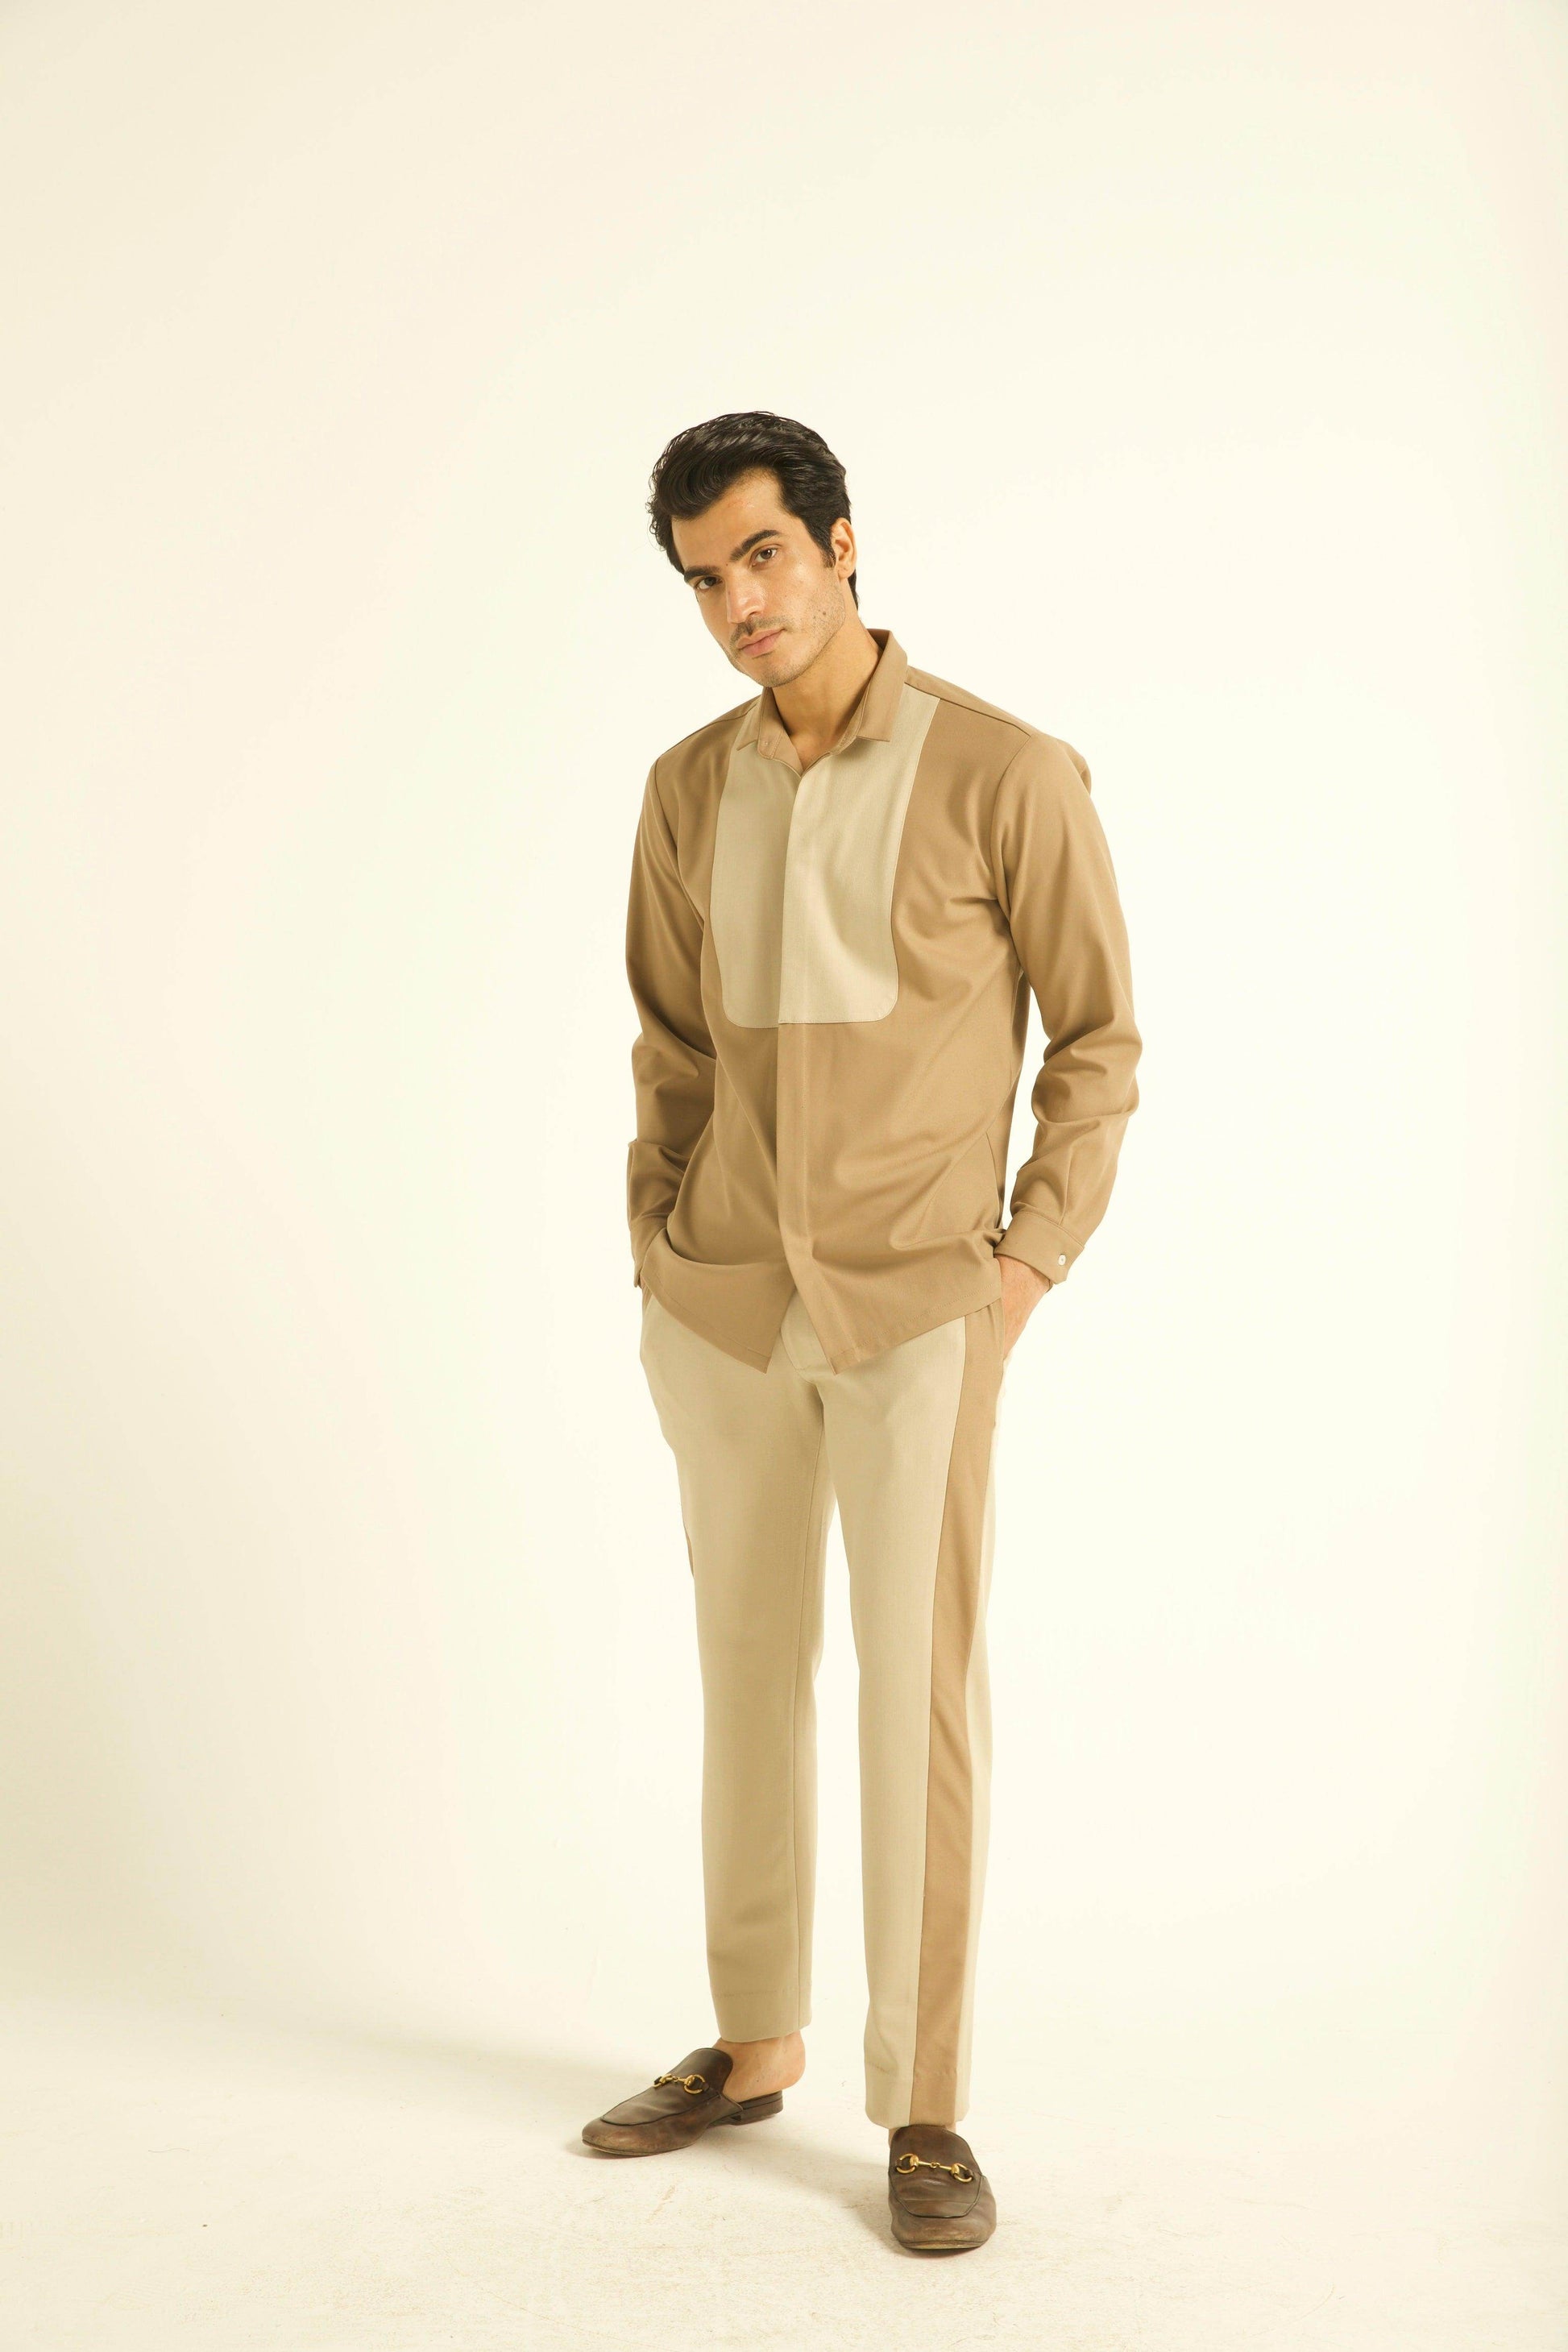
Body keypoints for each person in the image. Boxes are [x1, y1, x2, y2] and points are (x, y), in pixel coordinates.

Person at [581, 411, 1142, 2255]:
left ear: (837, 543)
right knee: (745, 1677)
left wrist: (1023, 1267)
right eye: (702, 578)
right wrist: (659, 1243)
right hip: (726, 1309)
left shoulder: (1005, 771)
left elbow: (1098, 1041)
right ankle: (753, 2042)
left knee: (917, 1697)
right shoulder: (686, 787)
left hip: (919, 1309)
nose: (737, 604)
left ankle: (924, 2103)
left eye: (760, 557)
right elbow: (670, 1042)